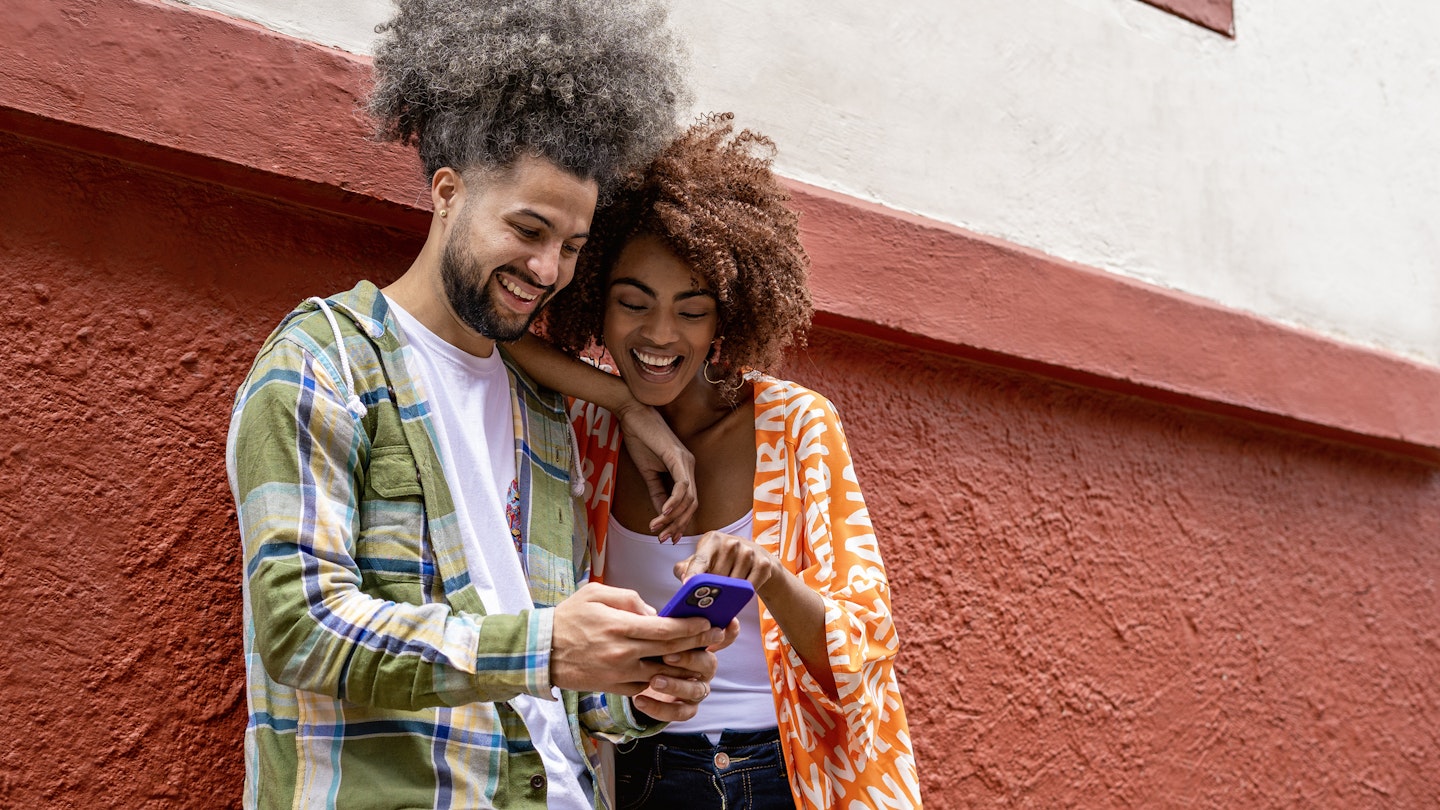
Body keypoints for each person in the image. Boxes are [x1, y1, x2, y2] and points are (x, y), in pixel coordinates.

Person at [225, 2, 733, 808]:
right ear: (447, 191)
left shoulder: (542, 405)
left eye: (571, 246)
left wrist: (634, 686)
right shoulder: (322, 363)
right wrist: (549, 645)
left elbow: (547, 686)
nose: (549, 269)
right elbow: (302, 629)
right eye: (528, 229)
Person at [517, 114, 923, 809]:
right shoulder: (585, 427)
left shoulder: (796, 425)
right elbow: (487, 335)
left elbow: (858, 659)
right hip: (636, 771)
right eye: (631, 302)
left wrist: (766, 575)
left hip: (778, 776)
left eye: (692, 311)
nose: (659, 334)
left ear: (728, 317)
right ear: (595, 299)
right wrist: (626, 403)